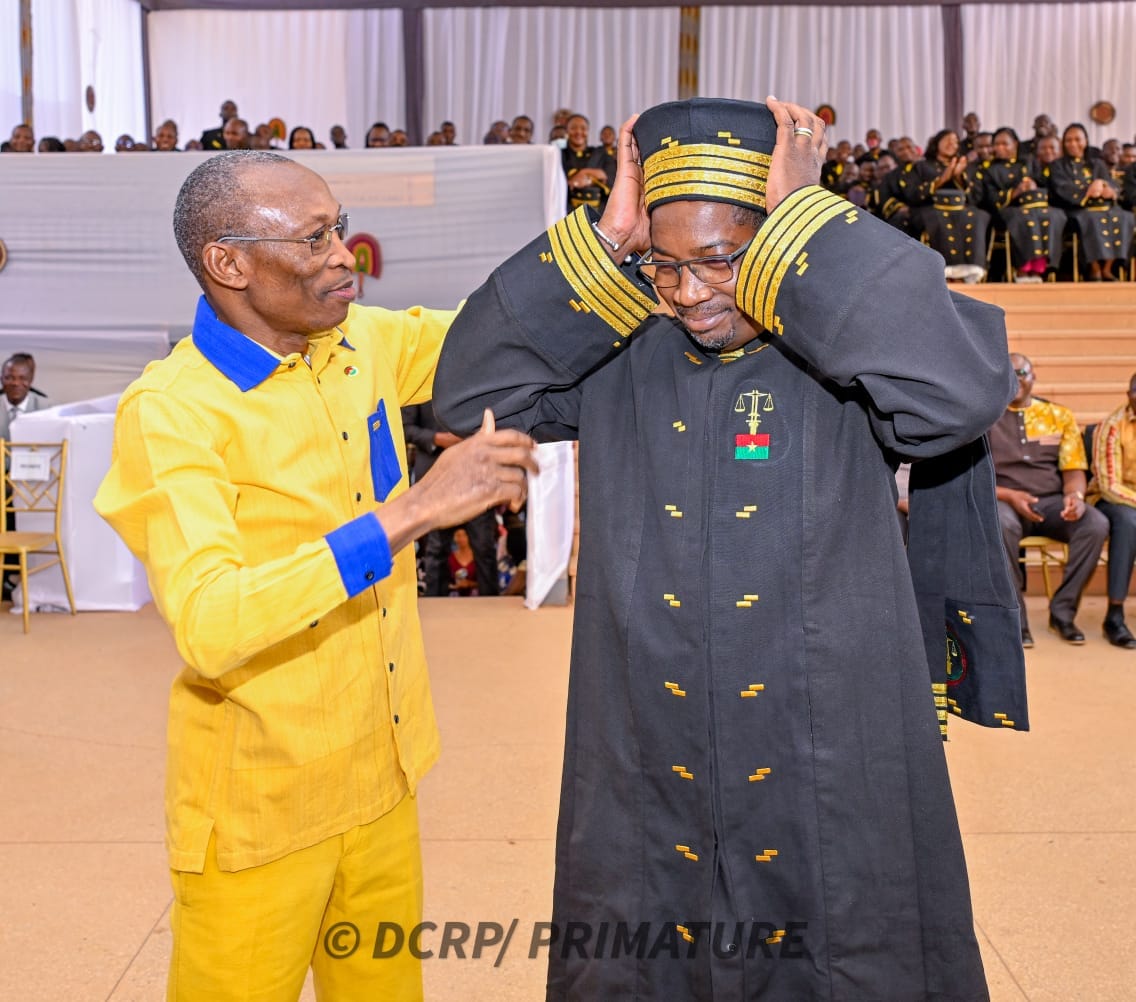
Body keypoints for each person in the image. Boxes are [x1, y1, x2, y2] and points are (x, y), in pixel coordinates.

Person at [433, 96, 1019, 1001]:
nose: (690, 293)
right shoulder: (622, 348)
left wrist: (812, 227)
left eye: (720, 259)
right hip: (647, 721)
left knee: (845, 946)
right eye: (665, 265)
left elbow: (958, 398)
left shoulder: (849, 345)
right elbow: (469, 397)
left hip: (825, 723)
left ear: (779, 239)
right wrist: (605, 241)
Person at [92, 150, 538, 1000]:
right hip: (263, 810)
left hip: (384, 776)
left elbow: (494, 331)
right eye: (313, 239)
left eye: (340, 228)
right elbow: (212, 620)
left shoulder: (356, 342)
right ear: (229, 264)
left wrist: (614, 243)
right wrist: (411, 513)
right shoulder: (174, 412)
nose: (345, 256)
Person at [989, 353, 1108, 647]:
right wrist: (1009, 495)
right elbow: (975, 478)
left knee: (1095, 524)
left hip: (1052, 503)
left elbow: (1074, 470)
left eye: (1022, 373)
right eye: (1010, 373)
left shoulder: (1058, 416)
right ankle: (1016, 620)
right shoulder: (986, 418)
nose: (1016, 379)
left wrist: (1075, 496)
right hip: (1005, 502)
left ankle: (1062, 613)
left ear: (1033, 377)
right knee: (1001, 524)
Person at [402, 402, 500, 597]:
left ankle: (490, 603)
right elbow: (404, 428)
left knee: (484, 547)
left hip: (476, 476)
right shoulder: (419, 386)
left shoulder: (474, 384)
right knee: (436, 549)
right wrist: (437, 438)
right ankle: (435, 603)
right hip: (436, 478)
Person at [972, 126, 1066, 281]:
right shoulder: (989, 170)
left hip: (1035, 206)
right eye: (997, 144)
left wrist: (1033, 186)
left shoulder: (1028, 162)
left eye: (1004, 144)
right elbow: (991, 199)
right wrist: (1016, 191)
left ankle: (1042, 266)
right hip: (1007, 210)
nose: (999, 148)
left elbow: (1044, 183)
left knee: (1055, 215)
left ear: (1015, 144)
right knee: (1024, 217)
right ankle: (1024, 267)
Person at [898, 128, 990, 281]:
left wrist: (958, 176)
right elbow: (912, 194)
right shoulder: (921, 166)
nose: (951, 144)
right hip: (930, 208)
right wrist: (942, 179)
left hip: (962, 208)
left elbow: (976, 197)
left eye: (955, 142)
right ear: (937, 143)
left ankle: (970, 270)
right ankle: (945, 271)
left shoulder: (967, 166)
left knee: (978, 216)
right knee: (938, 217)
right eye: (947, 140)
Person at [1047, 122, 1133, 281]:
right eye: (1069, 140)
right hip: (1077, 209)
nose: (1073, 144)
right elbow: (1061, 188)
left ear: (1085, 141)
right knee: (1091, 218)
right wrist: (1088, 190)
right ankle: (1094, 268)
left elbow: (1112, 184)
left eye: (1077, 139)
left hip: (1105, 207)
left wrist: (1108, 188)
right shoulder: (1058, 166)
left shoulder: (1096, 163)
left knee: (1126, 217)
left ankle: (1108, 268)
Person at [1088, 373, 1136, 648]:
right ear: (1129, 395)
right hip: (1111, 500)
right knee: (1128, 522)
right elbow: (1109, 486)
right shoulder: (1113, 426)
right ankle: (1114, 616)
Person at [561, 113, 614, 213]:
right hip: (566, 213)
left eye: (583, 128)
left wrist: (584, 173)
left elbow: (610, 176)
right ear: (567, 131)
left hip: (599, 213)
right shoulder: (559, 155)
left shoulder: (599, 154)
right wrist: (595, 175)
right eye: (573, 128)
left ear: (588, 131)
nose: (578, 132)